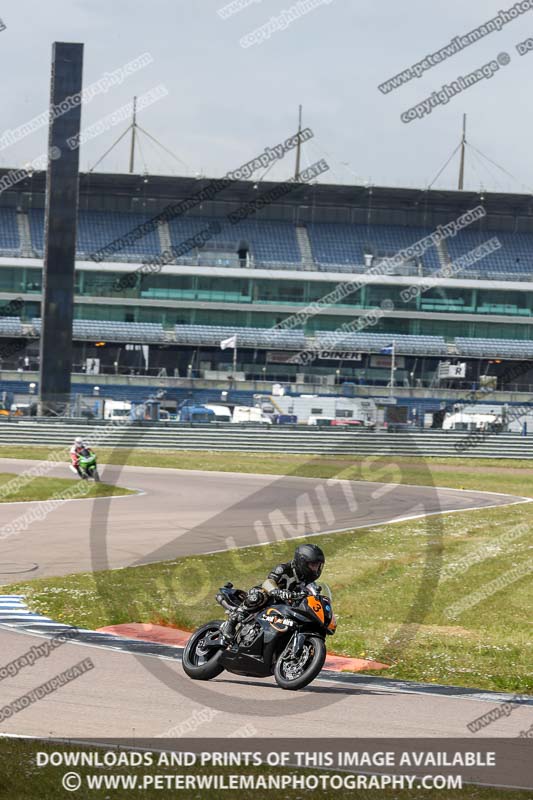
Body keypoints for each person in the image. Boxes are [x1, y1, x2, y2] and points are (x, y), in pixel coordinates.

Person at [220, 543, 325, 642]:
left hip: (283, 607)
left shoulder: (309, 582)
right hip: (268, 598)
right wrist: (277, 591)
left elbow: (314, 597)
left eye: (318, 566)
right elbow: (268, 582)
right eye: (313, 565)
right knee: (259, 595)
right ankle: (231, 623)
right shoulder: (284, 568)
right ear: (302, 562)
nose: (315, 569)